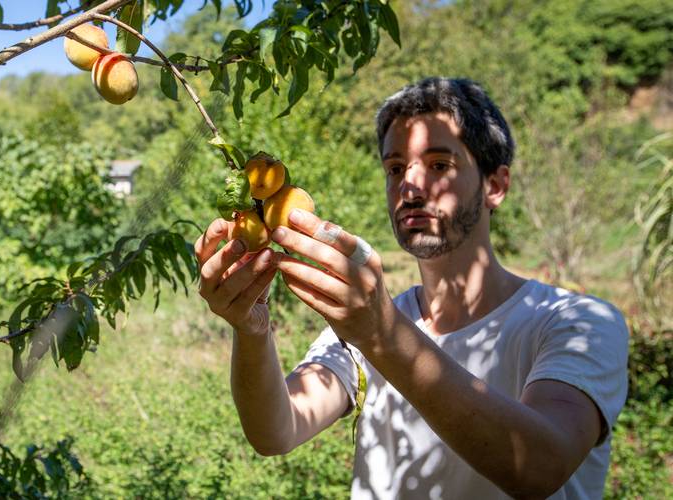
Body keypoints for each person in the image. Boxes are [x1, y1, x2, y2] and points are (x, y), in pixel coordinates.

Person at [194, 77, 628, 499]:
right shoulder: (364, 325)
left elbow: (538, 467)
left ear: (495, 186)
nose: (410, 185)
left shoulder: (580, 323)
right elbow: (277, 430)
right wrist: (251, 329)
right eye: (395, 167)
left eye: (440, 165)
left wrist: (382, 335)